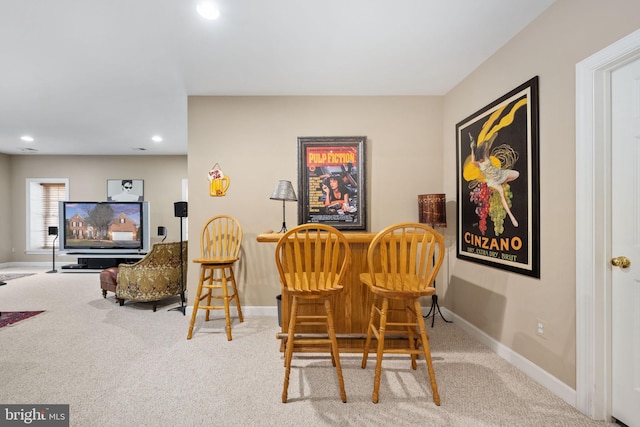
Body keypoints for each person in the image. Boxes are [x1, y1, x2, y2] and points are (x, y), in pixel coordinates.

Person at [469, 133, 519, 227]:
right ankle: (512, 217)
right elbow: (472, 161)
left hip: (499, 174)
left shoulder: (486, 156)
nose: (487, 149)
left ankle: (503, 182)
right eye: (486, 148)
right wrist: (472, 148)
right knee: (502, 194)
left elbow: (488, 144)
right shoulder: (478, 163)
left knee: (516, 174)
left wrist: (493, 136)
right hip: (492, 181)